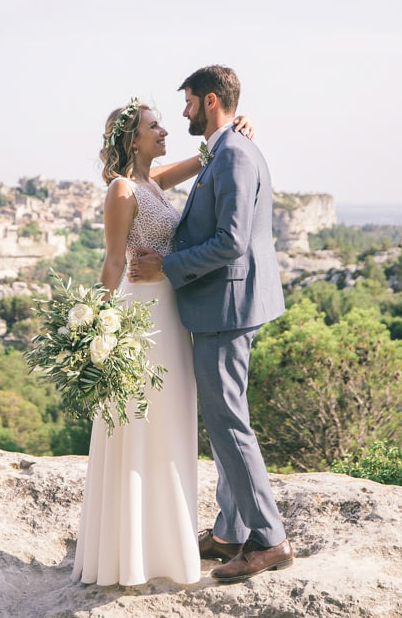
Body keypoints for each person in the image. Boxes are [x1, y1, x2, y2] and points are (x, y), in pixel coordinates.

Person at [72, 99, 253, 587]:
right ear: (133, 139)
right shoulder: (122, 188)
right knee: (141, 423)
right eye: (154, 125)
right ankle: (130, 553)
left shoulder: (153, 181)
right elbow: (113, 263)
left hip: (171, 318)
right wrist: (93, 325)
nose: (164, 129)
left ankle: (161, 545)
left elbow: (209, 156)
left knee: (171, 424)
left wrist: (234, 128)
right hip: (142, 317)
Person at [129, 65, 292, 584]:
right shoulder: (224, 150)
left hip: (227, 306)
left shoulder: (236, 155)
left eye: (190, 103)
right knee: (226, 416)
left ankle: (268, 539)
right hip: (224, 304)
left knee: (227, 422)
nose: (183, 113)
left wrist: (166, 268)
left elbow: (231, 242)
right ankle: (228, 532)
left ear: (212, 100)